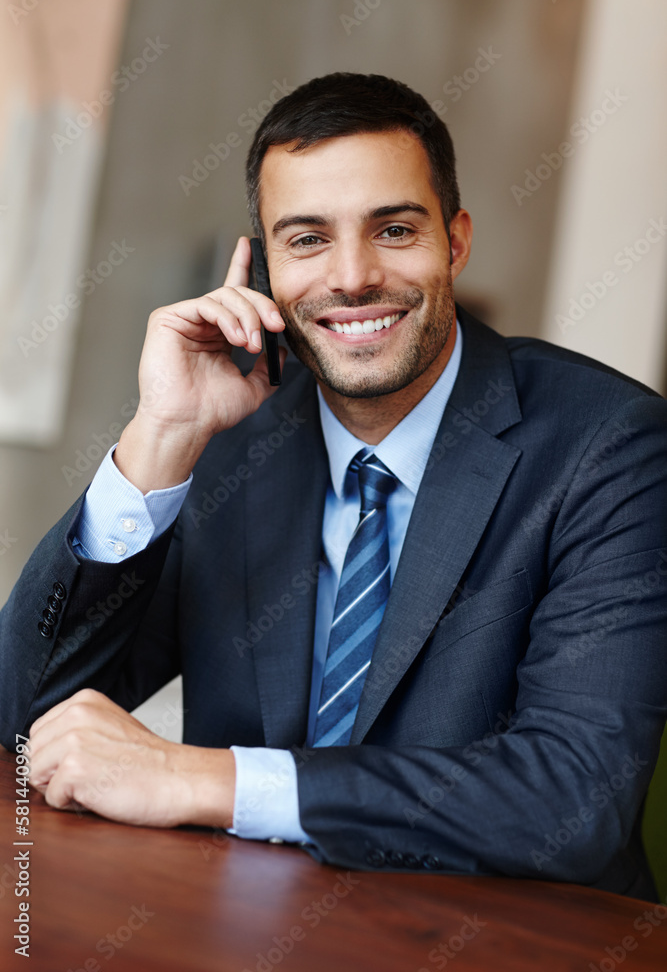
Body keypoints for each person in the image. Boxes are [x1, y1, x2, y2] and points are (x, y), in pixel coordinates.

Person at [0, 72, 665, 900]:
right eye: (306, 239)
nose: (351, 277)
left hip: (502, 937)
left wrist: (203, 781)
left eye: (392, 228)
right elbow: (21, 715)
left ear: (455, 242)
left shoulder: (610, 445)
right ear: (263, 268)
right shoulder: (230, 437)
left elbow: (577, 797)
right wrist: (160, 438)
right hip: (242, 923)